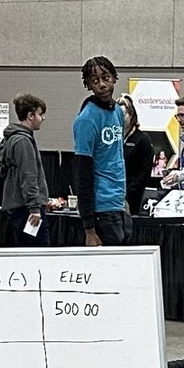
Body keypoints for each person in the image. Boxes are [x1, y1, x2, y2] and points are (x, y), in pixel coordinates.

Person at [72, 56, 130, 247]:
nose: (102, 85)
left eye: (106, 78)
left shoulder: (118, 113)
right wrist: (89, 228)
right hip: (101, 209)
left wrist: (124, 201)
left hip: (119, 204)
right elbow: (83, 175)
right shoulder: (86, 120)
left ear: (114, 78)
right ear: (88, 85)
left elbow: (117, 158)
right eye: (95, 81)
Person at [0, 93, 53, 244]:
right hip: (27, 210)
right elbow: (28, 176)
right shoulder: (23, 141)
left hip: (18, 207)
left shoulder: (11, 138)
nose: (43, 118)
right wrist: (34, 207)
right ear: (30, 115)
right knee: (38, 254)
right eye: (41, 114)